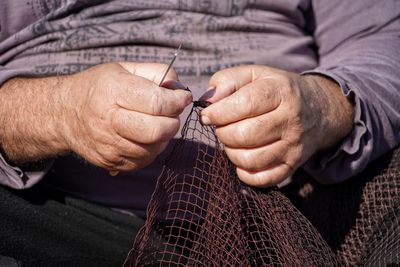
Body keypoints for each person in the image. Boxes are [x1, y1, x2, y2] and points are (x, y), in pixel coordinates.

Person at [0, 0, 399, 265]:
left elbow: (384, 37)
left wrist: (323, 104)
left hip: (301, 209)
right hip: (60, 220)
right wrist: (59, 109)